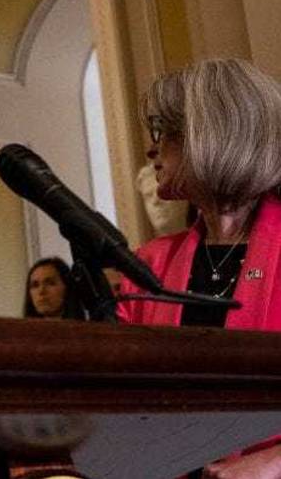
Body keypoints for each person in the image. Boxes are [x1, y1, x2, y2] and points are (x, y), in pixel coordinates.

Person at [118, 58, 281, 479]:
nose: (152, 148)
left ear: (218, 135)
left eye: (167, 133)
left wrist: (272, 464)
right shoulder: (148, 263)